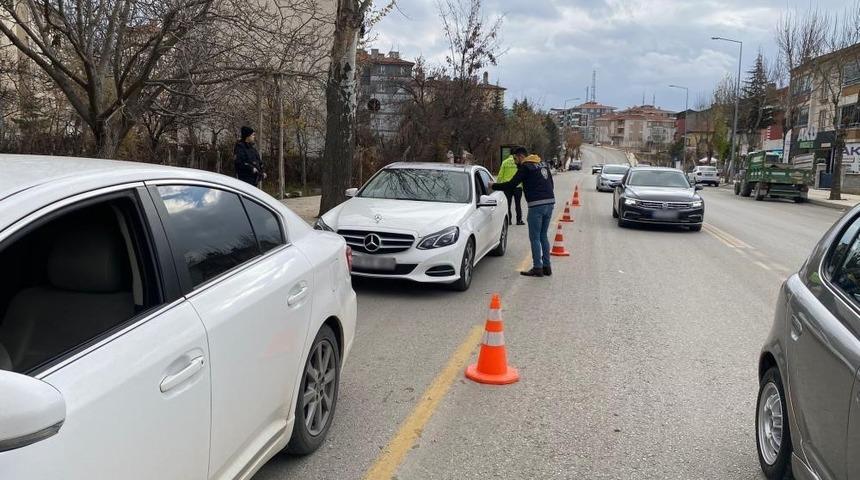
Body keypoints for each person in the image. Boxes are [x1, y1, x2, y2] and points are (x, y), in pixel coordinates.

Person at [491, 146, 555, 277]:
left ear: (521, 156)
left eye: (515, 159)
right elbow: (551, 183)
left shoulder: (526, 167)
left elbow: (510, 185)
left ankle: (538, 268)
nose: (514, 162)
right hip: (550, 203)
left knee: (535, 237)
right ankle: (547, 267)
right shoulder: (542, 164)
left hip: (536, 205)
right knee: (543, 235)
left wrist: (493, 186)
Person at [496, 152, 524, 225]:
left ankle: (509, 221)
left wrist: (497, 185)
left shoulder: (505, 162)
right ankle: (519, 220)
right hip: (518, 187)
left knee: (508, 204)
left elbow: (500, 175)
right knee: (518, 204)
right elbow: (522, 175)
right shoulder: (519, 162)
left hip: (507, 187)